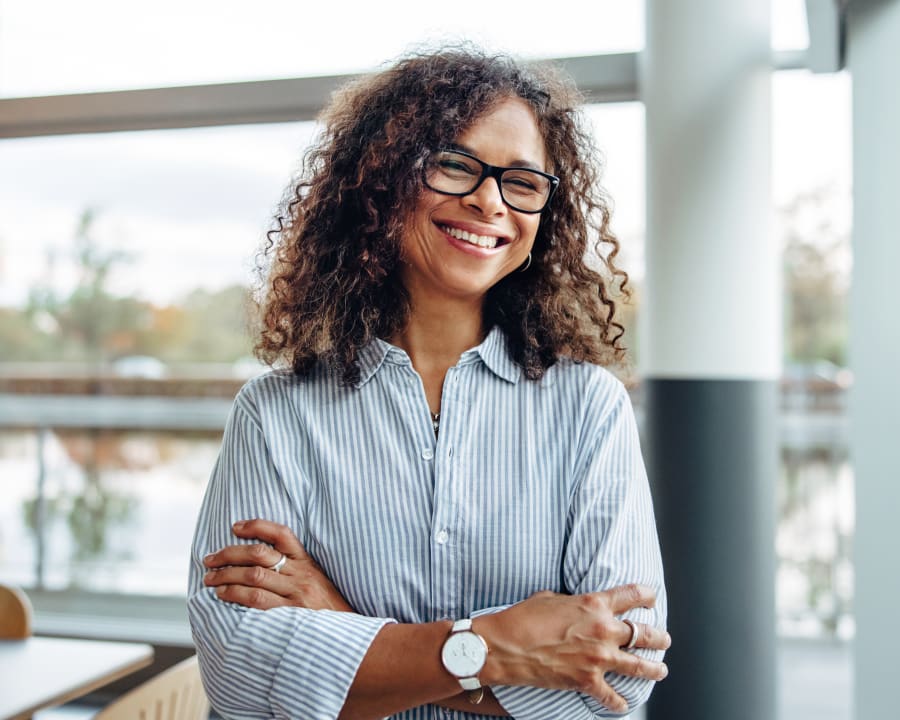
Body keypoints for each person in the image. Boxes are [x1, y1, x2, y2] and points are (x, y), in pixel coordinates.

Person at [188, 47, 670, 720]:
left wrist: (342, 627)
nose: (488, 199)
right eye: (454, 164)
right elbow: (239, 675)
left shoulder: (588, 408)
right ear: (381, 180)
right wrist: (500, 650)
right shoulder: (276, 414)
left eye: (523, 183)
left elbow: (620, 678)